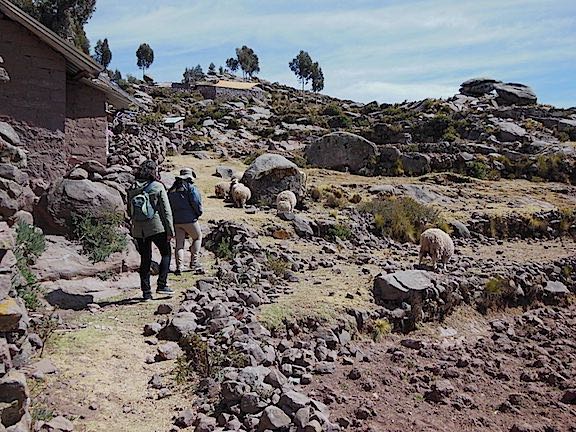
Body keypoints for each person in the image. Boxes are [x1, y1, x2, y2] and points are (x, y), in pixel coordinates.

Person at [127, 160, 175, 300]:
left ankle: (146, 293)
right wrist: (170, 231)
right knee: (166, 254)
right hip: (156, 227)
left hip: (139, 229)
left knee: (145, 259)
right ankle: (162, 285)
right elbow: (166, 211)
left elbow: (130, 211)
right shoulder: (157, 186)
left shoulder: (132, 187)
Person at [168, 168, 204, 275]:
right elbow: (196, 202)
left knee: (179, 244)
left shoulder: (172, 190)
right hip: (189, 219)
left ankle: (179, 266)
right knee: (197, 237)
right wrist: (198, 213)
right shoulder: (191, 188)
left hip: (176, 220)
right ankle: (194, 262)